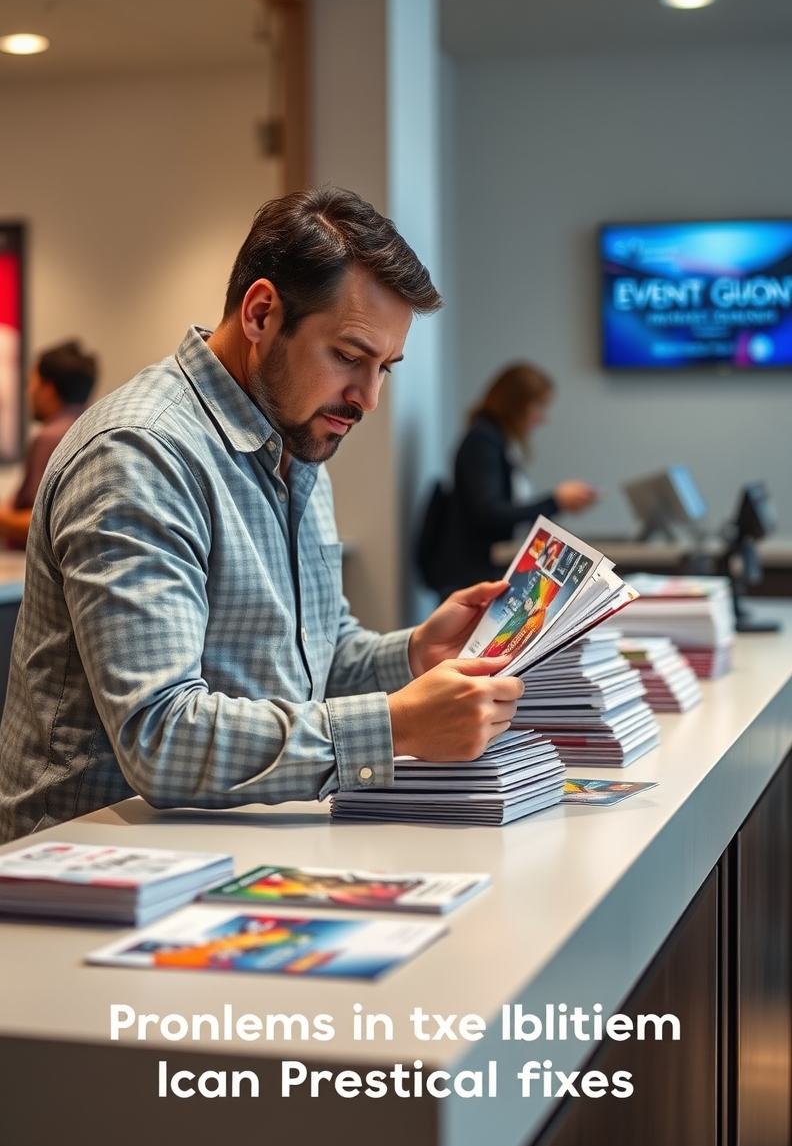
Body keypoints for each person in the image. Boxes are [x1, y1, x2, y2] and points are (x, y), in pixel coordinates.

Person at [0, 187, 524, 844]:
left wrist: (417, 653)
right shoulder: (140, 452)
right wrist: (396, 726)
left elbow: (313, 666)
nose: (368, 398)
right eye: (349, 357)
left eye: (385, 367)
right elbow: (160, 736)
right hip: (87, 869)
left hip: (234, 845)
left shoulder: (296, 446)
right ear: (261, 313)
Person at [435, 362, 598, 593]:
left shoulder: (497, 441)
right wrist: (556, 501)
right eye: (540, 406)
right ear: (516, 403)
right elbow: (490, 513)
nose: (543, 418)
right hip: (474, 578)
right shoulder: (483, 441)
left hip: (485, 573)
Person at [0, 340, 98, 547]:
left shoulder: (49, 438)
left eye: (31, 383)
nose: (28, 393)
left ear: (48, 389)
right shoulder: (93, 431)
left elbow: (38, 523)